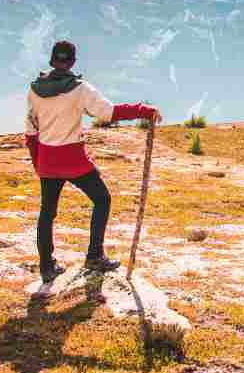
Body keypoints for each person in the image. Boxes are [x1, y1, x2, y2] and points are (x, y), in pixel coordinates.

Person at [24, 39, 161, 283]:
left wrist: (38, 164)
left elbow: (31, 132)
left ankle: (46, 267)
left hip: (47, 160)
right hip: (73, 160)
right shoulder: (80, 89)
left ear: (52, 60)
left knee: (47, 212)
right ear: (73, 62)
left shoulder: (35, 90)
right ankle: (94, 255)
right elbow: (108, 112)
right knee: (102, 199)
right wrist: (143, 109)